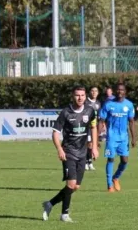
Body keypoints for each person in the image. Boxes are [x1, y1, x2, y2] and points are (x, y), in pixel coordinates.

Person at [42, 86, 98, 222]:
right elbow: (55, 133)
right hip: (69, 152)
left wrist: (95, 147)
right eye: (77, 95)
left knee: (76, 186)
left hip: (83, 153)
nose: (80, 98)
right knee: (71, 184)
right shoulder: (65, 113)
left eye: (82, 95)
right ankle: (64, 215)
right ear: (73, 97)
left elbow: (93, 127)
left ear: (85, 96)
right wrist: (60, 149)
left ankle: (49, 204)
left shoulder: (90, 111)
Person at [98, 83, 136, 192]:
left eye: (122, 90)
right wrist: (97, 138)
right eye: (118, 90)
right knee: (111, 158)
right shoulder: (108, 104)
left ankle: (116, 177)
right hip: (111, 137)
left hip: (124, 138)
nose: (120, 91)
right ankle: (109, 185)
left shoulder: (129, 105)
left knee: (124, 161)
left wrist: (133, 138)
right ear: (115, 91)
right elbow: (101, 121)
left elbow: (132, 122)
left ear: (125, 92)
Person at [85, 86, 101, 171]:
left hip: (94, 127)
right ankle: (85, 162)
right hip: (86, 126)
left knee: (91, 144)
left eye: (96, 91)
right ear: (89, 92)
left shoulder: (98, 103)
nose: (94, 92)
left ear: (98, 93)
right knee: (87, 144)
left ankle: (89, 162)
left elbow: (99, 116)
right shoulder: (86, 102)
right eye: (92, 91)